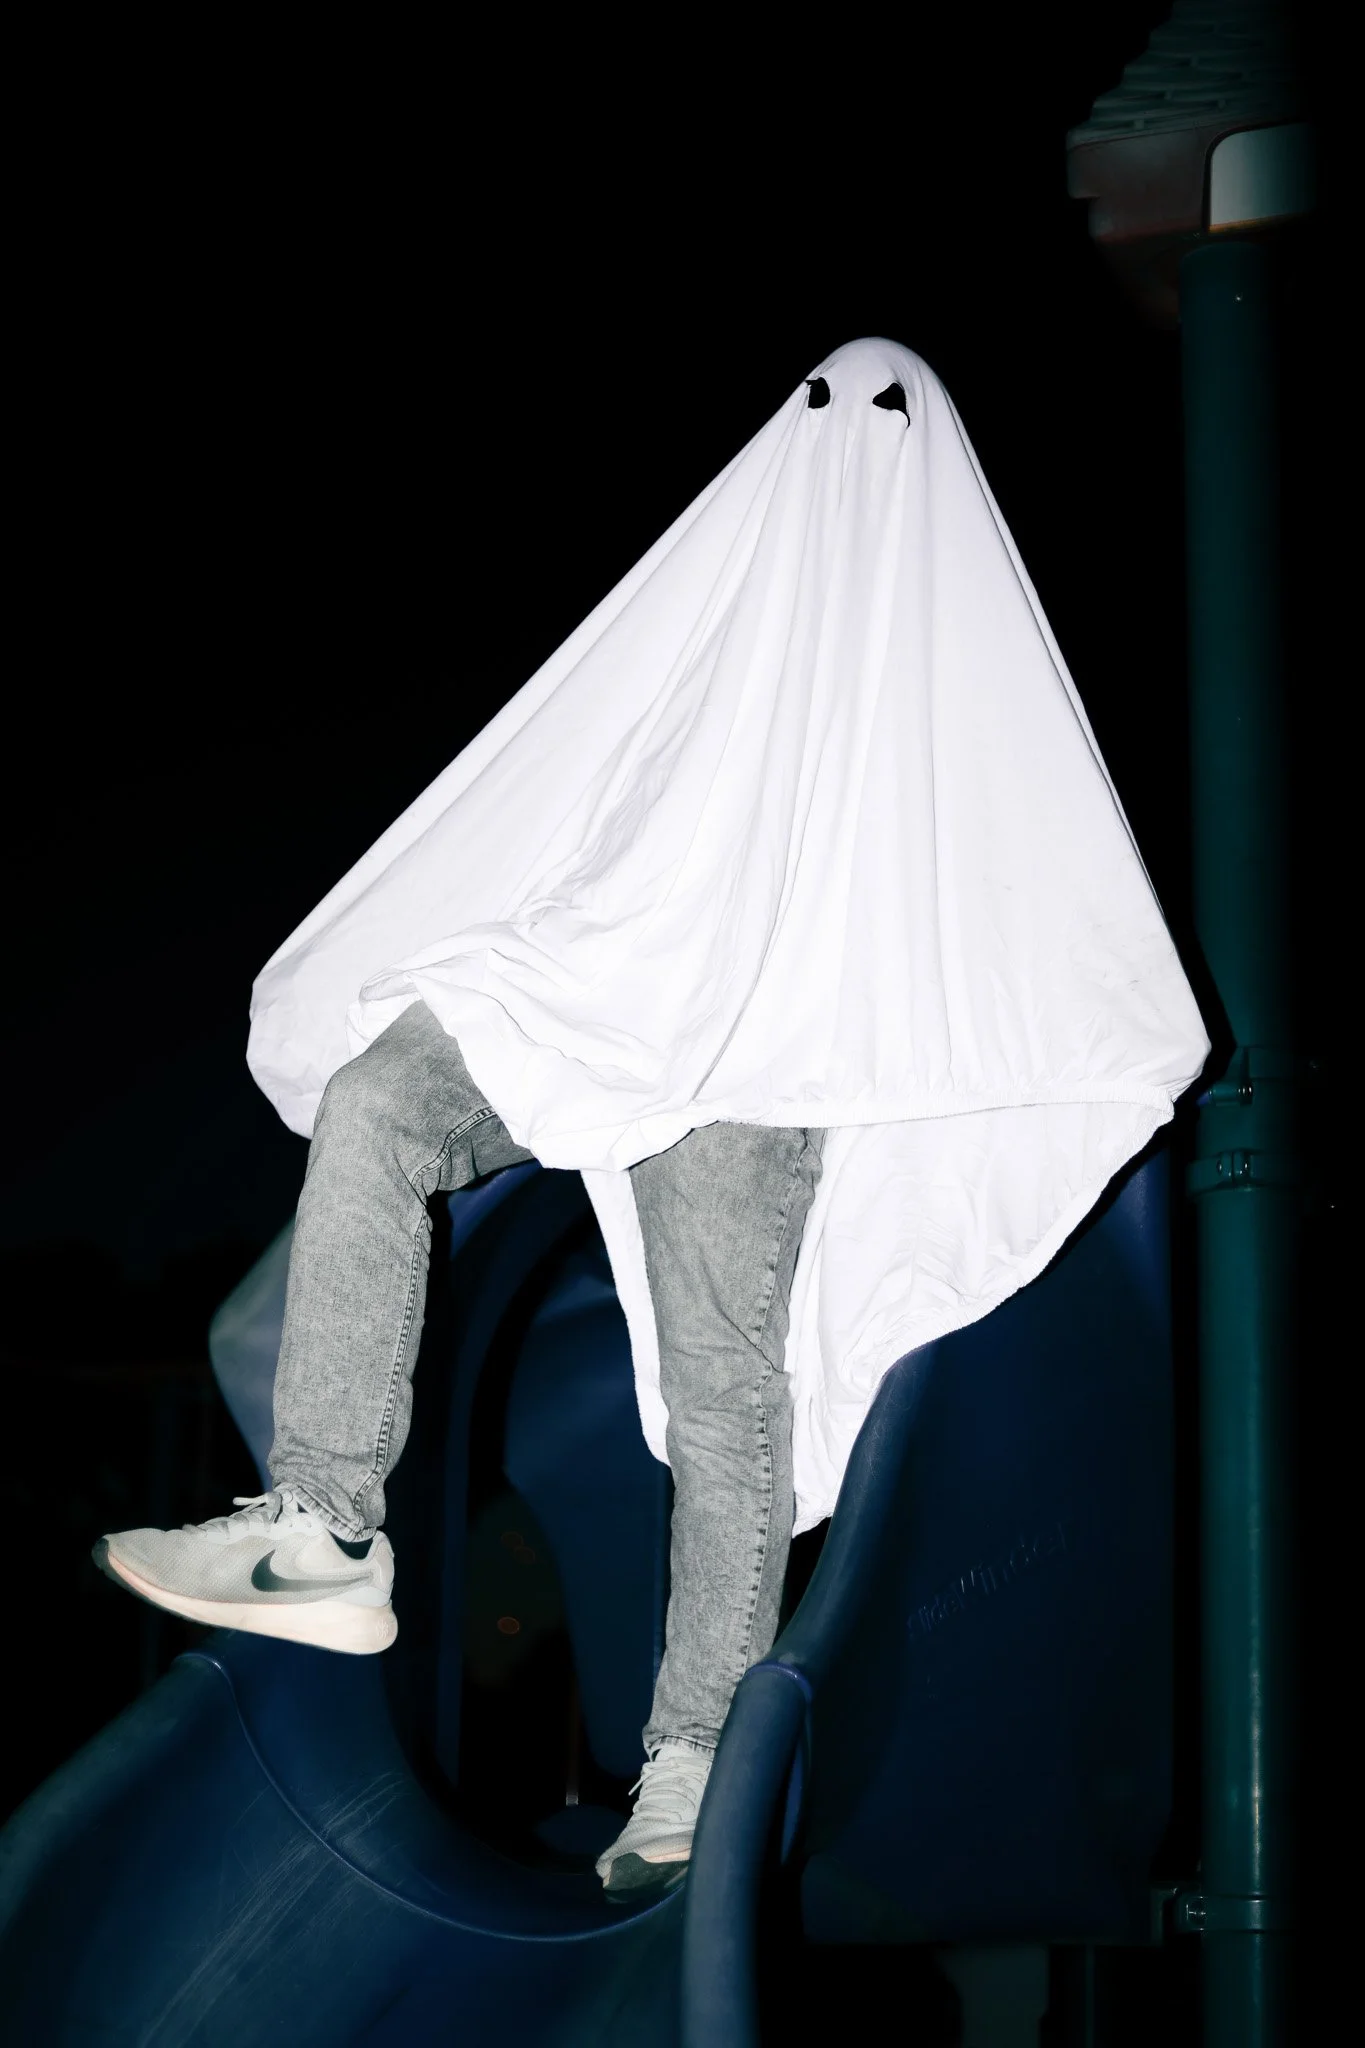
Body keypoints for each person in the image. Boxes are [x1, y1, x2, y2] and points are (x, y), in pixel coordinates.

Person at [96, 338, 1208, 1904]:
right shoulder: (726, 615)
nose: (847, 451)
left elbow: (995, 861)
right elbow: (580, 770)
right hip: (611, 994)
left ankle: (691, 1757)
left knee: (721, 1389)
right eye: (827, 424)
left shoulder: (927, 665)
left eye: (879, 433)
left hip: (767, 1056)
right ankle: (325, 1519)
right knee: (377, 1103)